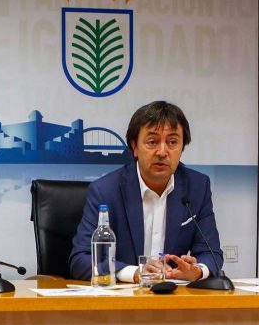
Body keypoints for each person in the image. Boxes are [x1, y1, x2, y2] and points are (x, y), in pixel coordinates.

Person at [69, 101, 223, 283]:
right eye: (152, 142)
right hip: (121, 303)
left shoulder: (197, 187)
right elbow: (81, 259)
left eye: (172, 142)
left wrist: (196, 271)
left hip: (172, 300)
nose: (162, 151)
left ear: (182, 148)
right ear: (134, 147)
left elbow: (211, 253)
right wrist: (135, 273)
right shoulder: (105, 191)